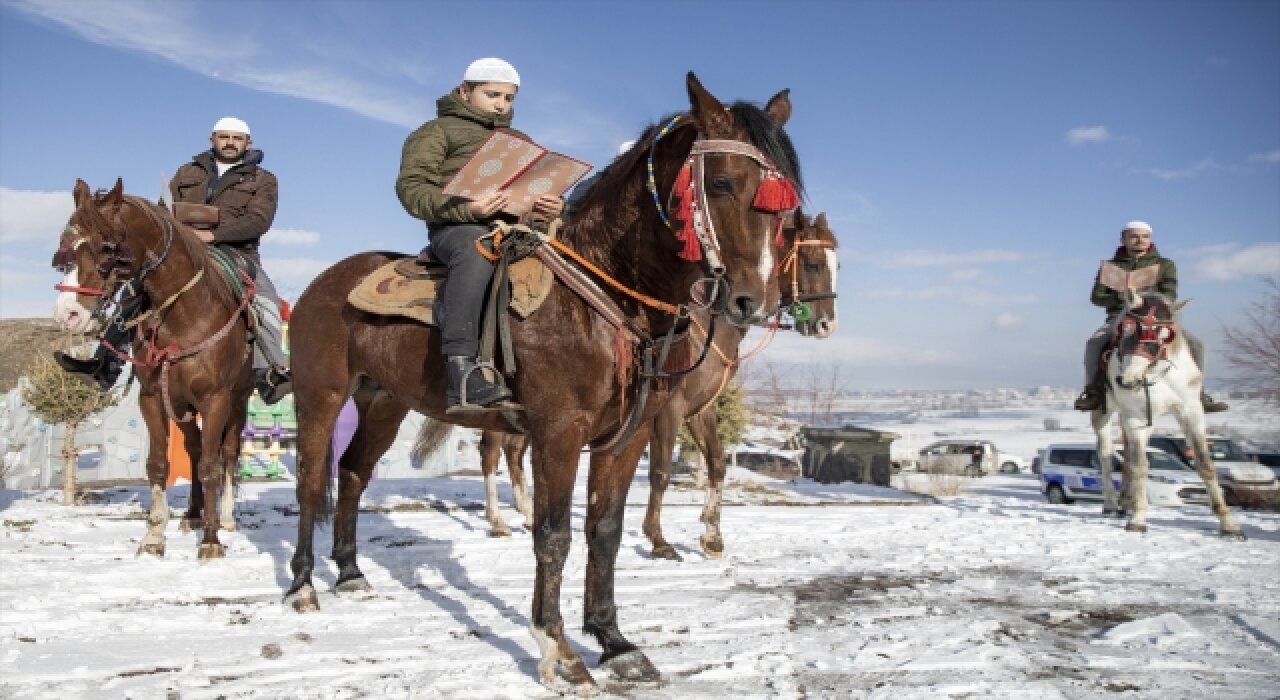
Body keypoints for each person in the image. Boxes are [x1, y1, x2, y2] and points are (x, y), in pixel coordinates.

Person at [55, 116, 292, 404]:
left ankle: (269, 372)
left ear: (248, 143)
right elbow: (160, 213)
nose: (230, 143)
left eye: (237, 138)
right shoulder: (187, 171)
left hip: (234, 252)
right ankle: (103, 365)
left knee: (265, 300)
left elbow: (259, 220)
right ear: (212, 140)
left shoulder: (263, 179)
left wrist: (212, 236)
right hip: (181, 252)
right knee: (134, 291)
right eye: (224, 137)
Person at [395, 58, 564, 412]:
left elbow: (533, 188)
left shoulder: (521, 141)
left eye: (509, 97)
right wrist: (469, 209)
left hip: (518, 229)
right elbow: (412, 189)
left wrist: (551, 206)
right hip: (458, 227)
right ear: (465, 91)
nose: (502, 104)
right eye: (492, 94)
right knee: (478, 248)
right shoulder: (436, 131)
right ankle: (462, 369)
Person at [1074, 221, 1227, 413]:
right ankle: (1093, 392)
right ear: (1123, 240)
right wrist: (1118, 297)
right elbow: (1096, 298)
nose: (1140, 240)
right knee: (1094, 343)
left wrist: (1145, 299)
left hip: (1154, 317)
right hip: (1120, 317)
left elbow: (1170, 294)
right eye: (1134, 236)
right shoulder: (1110, 267)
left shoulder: (1165, 264)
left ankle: (1199, 394)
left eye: (1145, 237)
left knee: (1198, 345)